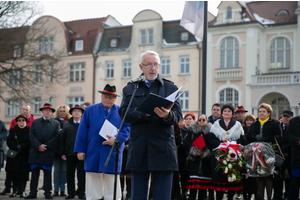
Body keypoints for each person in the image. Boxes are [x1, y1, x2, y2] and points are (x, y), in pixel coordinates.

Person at [119, 50, 182, 200]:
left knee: (162, 195)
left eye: (155, 64)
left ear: (159, 66)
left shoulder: (170, 88)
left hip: (163, 148)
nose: (152, 68)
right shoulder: (130, 89)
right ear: (141, 67)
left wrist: (167, 115)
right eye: (148, 65)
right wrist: (144, 113)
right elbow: (123, 113)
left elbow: (178, 116)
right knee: (138, 195)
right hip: (139, 148)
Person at [74, 84, 130, 200]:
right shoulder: (90, 110)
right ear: (101, 97)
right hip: (93, 150)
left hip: (112, 152)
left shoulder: (121, 111)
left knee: (112, 183)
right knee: (93, 182)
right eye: (105, 97)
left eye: (110, 98)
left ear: (115, 99)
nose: (107, 100)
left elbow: (128, 129)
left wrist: (117, 139)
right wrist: (80, 150)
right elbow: (82, 131)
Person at [208, 104, 244, 200]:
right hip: (219, 155)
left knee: (231, 178)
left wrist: (232, 145)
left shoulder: (237, 125)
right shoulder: (216, 124)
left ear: (232, 114)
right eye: (225, 111)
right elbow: (211, 139)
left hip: (233, 154)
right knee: (220, 179)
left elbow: (242, 139)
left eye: (229, 111)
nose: (226, 113)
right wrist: (221, 144)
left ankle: (230, 197)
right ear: (222, 113)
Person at [25, 103, 60, 199]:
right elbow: (31, 135)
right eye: (46, 110)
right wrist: (38, 145)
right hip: (36, 151)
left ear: (52, 113)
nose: (47, 112)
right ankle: (33, 192)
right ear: (42, 111)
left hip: (48, 151)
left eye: (49, 111)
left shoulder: (56, 123)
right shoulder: (35, 122)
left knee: (47, 174)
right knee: (34, 174)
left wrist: (46, 146)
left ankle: (48, 192)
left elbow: (56, 137)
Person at [246, 103, 281, 200]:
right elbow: (248, 137)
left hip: (268, 153)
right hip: (256, 153)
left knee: (268, 176)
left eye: (263, 111)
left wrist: (266, 139)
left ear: (269, 113)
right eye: (260, 111)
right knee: (259, 176)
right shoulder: (254, 124)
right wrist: (255, 137)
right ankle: (260, 197)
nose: (261, 113)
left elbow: (278, 137)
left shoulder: (275, 123)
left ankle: (269, 197)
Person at [185, 114, 212, 200]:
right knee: (193, 191)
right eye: (199, 120)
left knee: (203, 192)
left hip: (205, 162)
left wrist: (204, 151)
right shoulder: (192, 130)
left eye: (203, 120)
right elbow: (186, 143)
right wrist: (194, 150)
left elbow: (211, 143)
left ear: (206, 121)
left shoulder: (210, 132)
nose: (201, 121)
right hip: (194, 161)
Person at [60, 105, 85, 199]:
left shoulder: (85, 124)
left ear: (82, 113)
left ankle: (81, 192)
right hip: (70, 153)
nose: (77, 112)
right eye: (75, 111)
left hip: (82, 154)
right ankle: (71, 193)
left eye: (79, 111)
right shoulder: (67, 124)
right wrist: (62, 153)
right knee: (70, 175)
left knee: (81, 175)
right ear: (71, 113)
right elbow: (62, 140)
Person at [5, 114, 31, 198]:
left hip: (24, 155)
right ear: (17, 121)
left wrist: (22, 146)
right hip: (14, 155)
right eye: (19, 120)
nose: (21, 122)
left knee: (23, 174)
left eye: (23, 120)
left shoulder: (29, 130)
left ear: (26, 121)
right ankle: (14, 190)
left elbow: (30, 142)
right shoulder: (13, 130)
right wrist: (15, 147)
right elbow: (9, 141)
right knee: (14, 174)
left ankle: (22, 190)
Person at [273, 110, 293, 200]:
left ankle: (288, 194)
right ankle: (277, 195)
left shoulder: (293, 127)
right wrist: (279, 151)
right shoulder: (278, 127)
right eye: (284, 116)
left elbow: (292, 141)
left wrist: (285, 150)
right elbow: (274, 140)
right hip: (279, 155)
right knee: (278, 176)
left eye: (287, 117)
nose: (285, 118)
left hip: (289, 155)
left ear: (291, 118)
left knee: (289, 177)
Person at [52, 105, 72, 197]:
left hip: (66, 151)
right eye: (60, 111)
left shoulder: (70, 122)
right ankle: (56, 189)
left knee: (64, 171)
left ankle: (63, 190)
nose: (62, 112)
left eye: (64, 111)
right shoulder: (54, 121)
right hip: (56, 150)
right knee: (56, 171)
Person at [178, 112, 195, 200]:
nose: (188, 120)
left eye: (190, 119)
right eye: (187, 119)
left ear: (193, 120)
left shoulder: (195, 130)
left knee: (191, 174)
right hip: (182, 154)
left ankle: (190, 192)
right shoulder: (181, 130)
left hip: (192, 155)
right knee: (183, 174)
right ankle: (184, 191)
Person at [241, 114, 257, 200]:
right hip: (244, 156)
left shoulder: (255, 130)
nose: (249, 122)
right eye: (247, 120)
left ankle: (251, 195)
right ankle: (244, 196)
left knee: (252, 177)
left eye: (251, 120)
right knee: (244, 177)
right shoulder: (242, 130)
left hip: (253, 156)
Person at [285, 112, 300, 200]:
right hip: (297, 157)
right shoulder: (294, 121)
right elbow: (288, 135)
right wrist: (298, 141)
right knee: (295, 183)